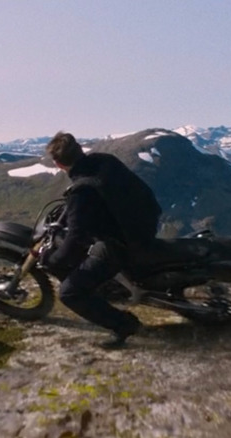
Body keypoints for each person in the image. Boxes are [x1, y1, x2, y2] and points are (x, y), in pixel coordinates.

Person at [40, 131, 161, 349]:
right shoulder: (104, 160)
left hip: (123, 243)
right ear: (80, 150)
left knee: (70, 292)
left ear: (58, 165)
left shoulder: (81, 191)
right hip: (147, 221)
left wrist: (54, 259)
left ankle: (124, 325)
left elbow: (76, 238)